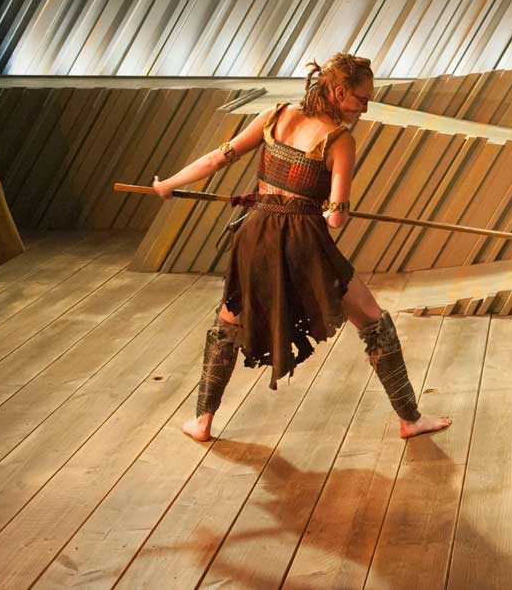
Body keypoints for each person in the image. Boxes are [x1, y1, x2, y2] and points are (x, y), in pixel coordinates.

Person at [153, 53, 452, 441]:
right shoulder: (340, 141)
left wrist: (168, 184)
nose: (365, 108)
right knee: (373, 319)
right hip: (304, 246)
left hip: (256, 235)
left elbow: (215, 159)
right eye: (362, 99)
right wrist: (332, 210)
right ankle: (409, 419)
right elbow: (336, 218)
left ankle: (201, 422)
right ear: (339, 93)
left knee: (228, 320)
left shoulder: (275, 116)